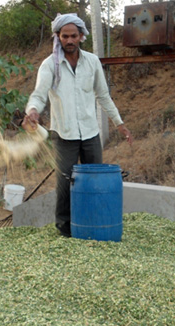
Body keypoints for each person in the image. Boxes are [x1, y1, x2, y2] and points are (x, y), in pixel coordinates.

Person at [23, 13, 133, 237]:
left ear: (82, 36)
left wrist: (119, 123)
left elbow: (103, 96)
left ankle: (95, 224)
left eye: (74, 36)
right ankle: (65, 230)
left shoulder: (92, 62)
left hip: (91, 133)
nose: (70, 40)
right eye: (65, 36)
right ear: (58, 37)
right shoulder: (49, 65)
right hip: (64, 135)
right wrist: (32, 111)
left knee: (95, 181)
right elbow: (39, 94)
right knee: (66, 184)